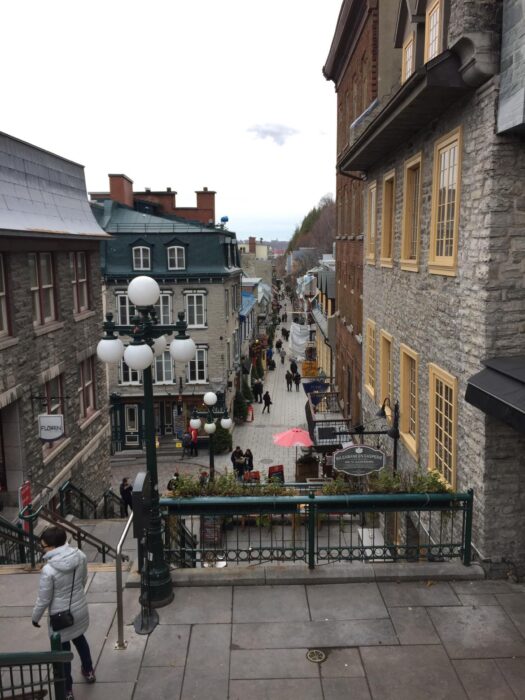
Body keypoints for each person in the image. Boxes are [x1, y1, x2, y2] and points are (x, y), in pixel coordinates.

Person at [32, 526, 96, 700]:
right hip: (79, 609)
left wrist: (35, 617)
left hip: (60, 617)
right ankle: (89, 671)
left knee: (63, 651)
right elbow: (83, 580)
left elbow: (44, 599)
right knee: (80, 640)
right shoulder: (80, 556)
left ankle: (67, 689)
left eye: (43, 546)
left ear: (52, 547)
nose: (42, 549)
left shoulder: (48, 570)